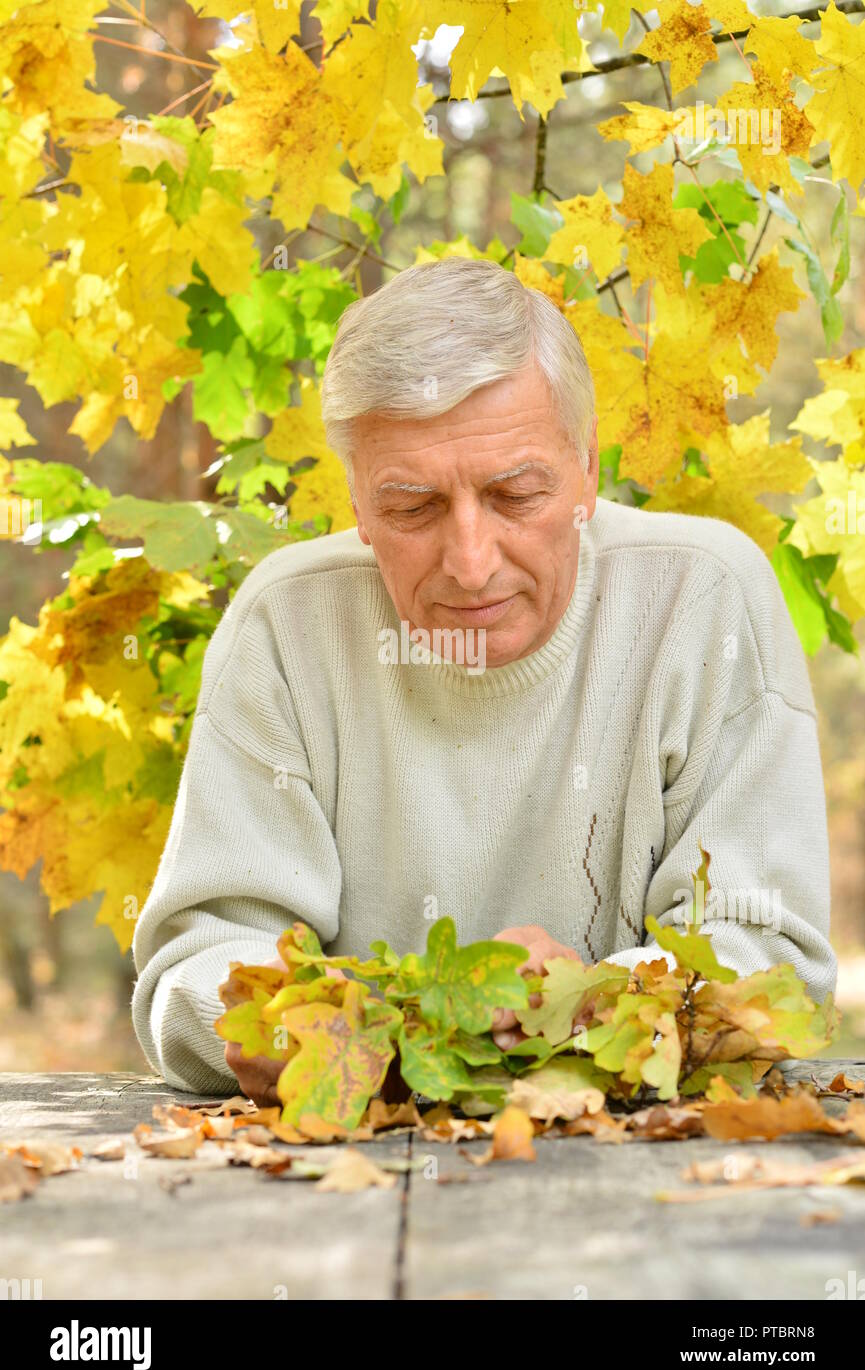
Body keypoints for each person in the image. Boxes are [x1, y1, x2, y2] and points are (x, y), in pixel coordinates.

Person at [131, 257, 836, 1104]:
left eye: (515, 494)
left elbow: (770, 957)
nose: (469, 564)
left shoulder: (704, 595)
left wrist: (592, 1000)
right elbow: (198, 962)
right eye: (412, 508)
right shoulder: (285, 623)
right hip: (345, 1173)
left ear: (587, 467)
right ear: (355, 500)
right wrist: (287, 1024)